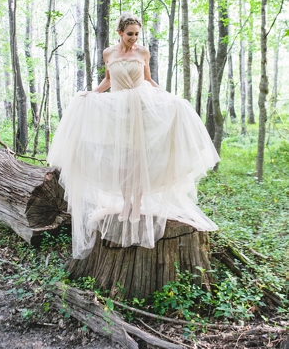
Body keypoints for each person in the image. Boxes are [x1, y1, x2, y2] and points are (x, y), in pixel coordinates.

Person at [47, 13, 219, 260]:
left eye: (137, 34)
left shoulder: (143, 53)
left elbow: (148, 80)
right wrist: (91, 94)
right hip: (117, 111)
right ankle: (125, 202)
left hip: (141, 109)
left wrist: (170, 97)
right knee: (123, 158)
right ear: (120, 33)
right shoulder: (109, 54)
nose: (134, 38)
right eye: (130, 34)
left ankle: (135, 206)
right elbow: (108, 80)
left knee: (139, 157)